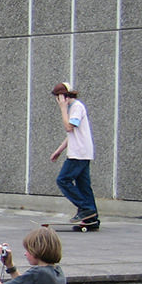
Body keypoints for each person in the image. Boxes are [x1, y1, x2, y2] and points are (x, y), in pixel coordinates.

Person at [49, 81, 98, 226]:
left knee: (63, 180)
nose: (57, 101)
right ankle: (92, 218)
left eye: (58, 97)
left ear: (62, 97)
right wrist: (59, 151)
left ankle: (86, 208)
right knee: (84, 185)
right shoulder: (73, 108)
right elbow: (72, 135)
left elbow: (69, 127)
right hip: (81, 151)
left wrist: (63, 109)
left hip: (79, 153)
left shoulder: (76, 107)